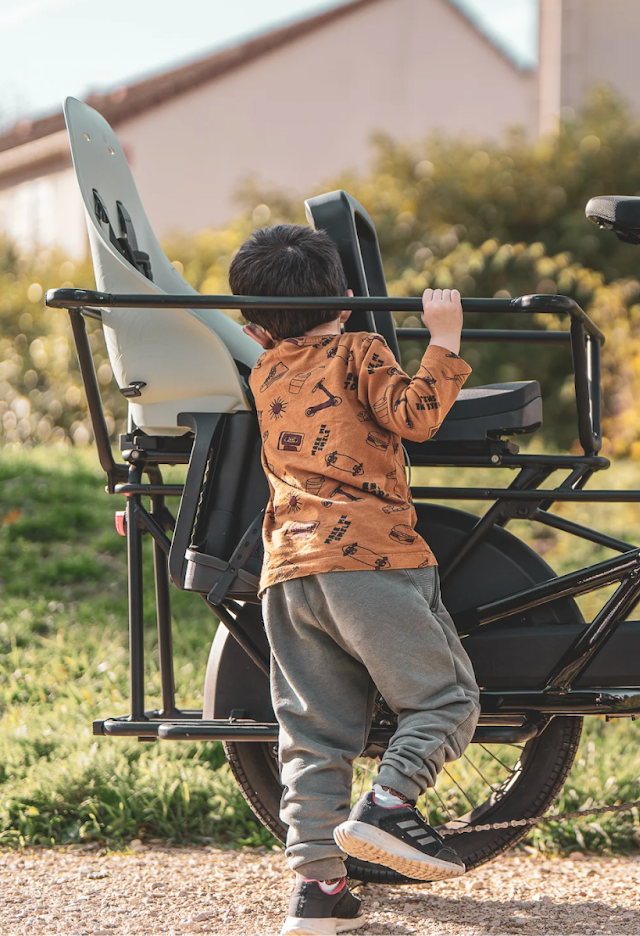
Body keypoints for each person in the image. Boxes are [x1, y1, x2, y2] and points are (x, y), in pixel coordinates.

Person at [229, 223, 479, 936]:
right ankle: (391, 804)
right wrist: (445, 337)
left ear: (255, 328)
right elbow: (416, 414)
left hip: (287, 574)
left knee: (313, 732)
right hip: (367, 559)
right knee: (446, 699)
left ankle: (316, 892)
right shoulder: (358, 347)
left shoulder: (263, 370)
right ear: (346, 299)